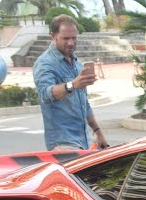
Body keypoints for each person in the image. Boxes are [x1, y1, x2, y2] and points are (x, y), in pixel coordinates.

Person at [33, 14, 108, 151]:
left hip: (83, 141)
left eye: (74, 38)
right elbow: (45, 94)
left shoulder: (77, 64)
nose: (71, 43)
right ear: (53, 36)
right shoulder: (45, 63)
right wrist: (72, 85)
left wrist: (98, 132)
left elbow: (84, 103)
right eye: (65, 38)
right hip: (62, 143)